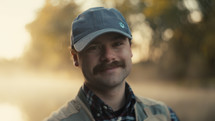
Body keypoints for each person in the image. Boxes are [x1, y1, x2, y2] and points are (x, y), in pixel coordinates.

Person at [44, 7, 179, 121]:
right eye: (94, 47)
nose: (108, 56)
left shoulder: (164, 115)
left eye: (117, 44)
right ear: (75, 58)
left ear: (130, 49)